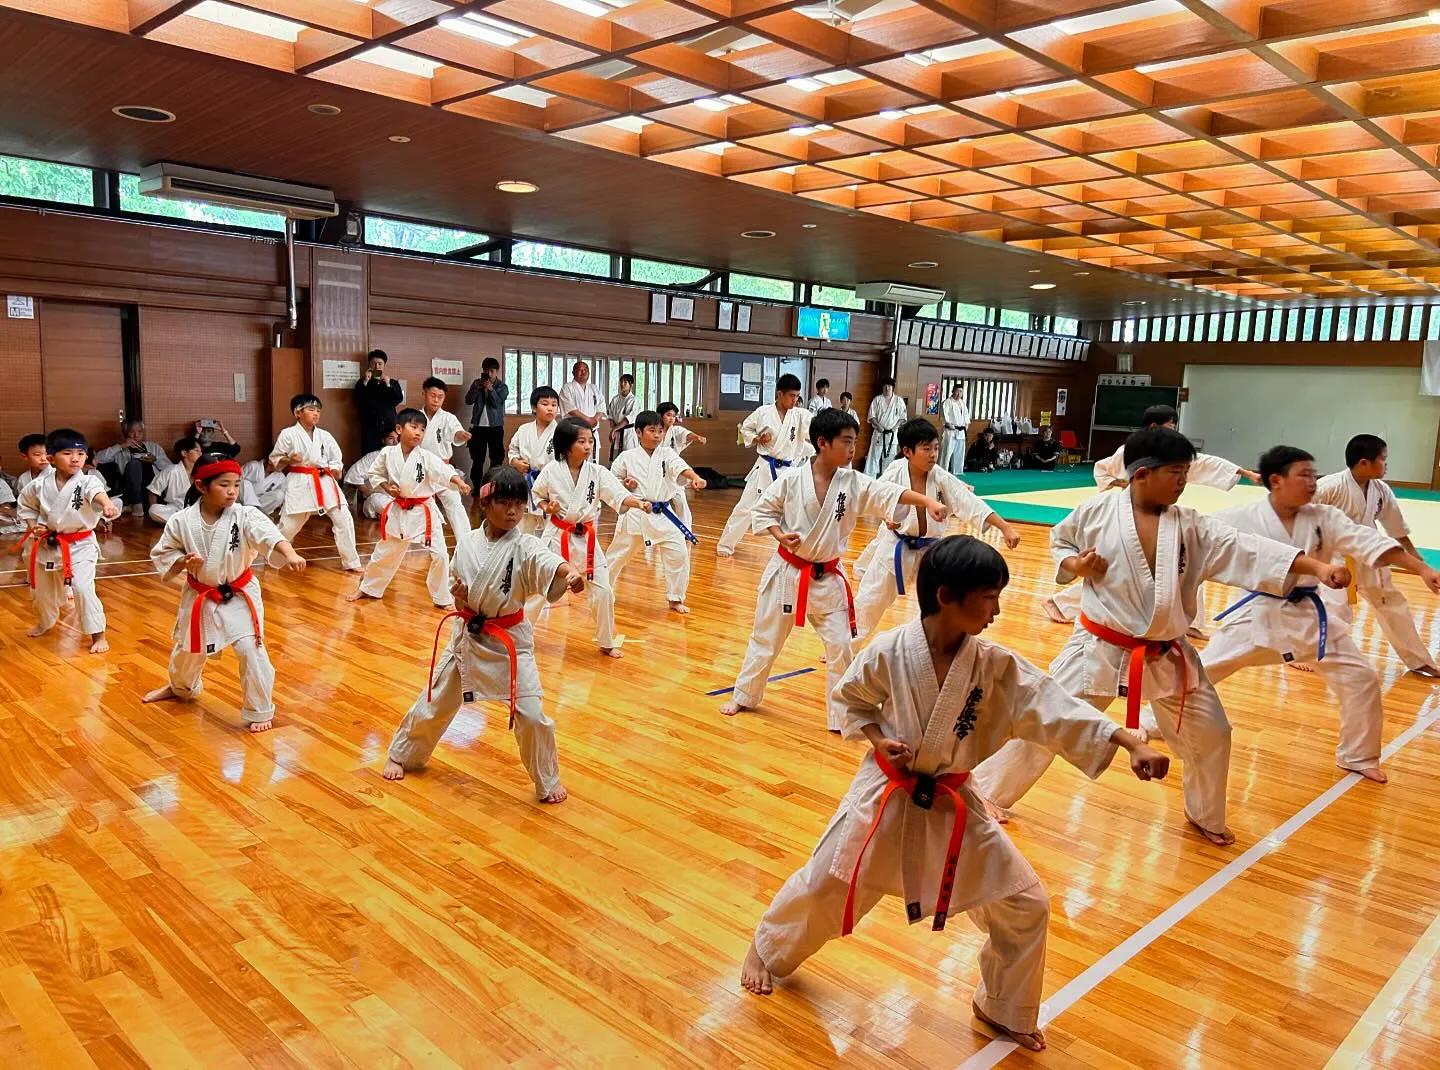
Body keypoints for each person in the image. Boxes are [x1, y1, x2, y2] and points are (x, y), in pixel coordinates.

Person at [739, 537, 1170, 1052]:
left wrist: (1125, 740)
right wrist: (880, 740)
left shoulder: (993, 665)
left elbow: (1052, 702)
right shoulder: (890, 651)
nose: (997, 609)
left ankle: (1002, 1004)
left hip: (953, 800)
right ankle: (766, 949)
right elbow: (851, 700)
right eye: (988, 597)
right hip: (886, 795)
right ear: (946, 595)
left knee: (1025, 903)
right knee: (825, 885)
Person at [969, 428, 1347, 846]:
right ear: (1142, 474)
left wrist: (1316, 568)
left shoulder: (1190, 525)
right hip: (1099, 646)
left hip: (1168, 651)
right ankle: (986, 791)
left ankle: (1204, 813)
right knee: (1050, 720)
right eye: (1176, 472)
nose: (1184, 482)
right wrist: (1077, 565)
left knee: (1213, 733)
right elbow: (1062, 541)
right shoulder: (1097, 511)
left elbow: (1247, 549)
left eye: (1186, 472)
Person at [1195, 445, 1440, 784]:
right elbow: (1194, 539)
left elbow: (1368, 541)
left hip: (1311, 616)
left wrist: (1422, 569)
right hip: (1257, 614)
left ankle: (1358, 755)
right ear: (1276, 481)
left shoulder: (1325, 517)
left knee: (1361, 679)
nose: (1313, 482)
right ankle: (1151, 723)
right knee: (1203, 672)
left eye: (1314, 474)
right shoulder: (1241, 517)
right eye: (1304, 475)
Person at [719, 407, 948, 729]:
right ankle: (744, 695)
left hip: (827, 578)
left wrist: (927, 502)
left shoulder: (852, 482)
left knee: (841, 646)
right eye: (847, 442)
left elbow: (890, 492)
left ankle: (841, 716)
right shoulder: (791, 480)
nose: (853, 449)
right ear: (823, 442)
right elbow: (763, 511)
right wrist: (779, 535)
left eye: (855, 442)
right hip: (787, 573)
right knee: (765, 639)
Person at [383, 467, 585, 802]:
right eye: (504, 503)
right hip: (469, 638)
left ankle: (547, 780)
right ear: (485, 503)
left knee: (533, 716)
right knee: (435, 702)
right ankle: (404, 754)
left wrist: (571, 572)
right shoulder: (467, 544)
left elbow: (550, 562)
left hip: (511, 642)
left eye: (519, 505)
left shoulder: (525, 545)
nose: (512, 512)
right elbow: (459, 593)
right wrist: (461, 596)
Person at [1042, 404, 1260, 625]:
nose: (1174, 428)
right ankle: (1060, 603)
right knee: (1119, 574)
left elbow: (1204, 463)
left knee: (1183, 565)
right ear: (1155, 425)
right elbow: (1101, 469)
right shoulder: (1128, 452)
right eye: (1170, 424)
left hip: (1157, 514)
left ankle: (1190, 622)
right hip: (1125, 517)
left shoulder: (1170, 454)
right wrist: (1122, 483)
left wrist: (1242, 472)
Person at [142, 454, 307, 732]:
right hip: (199, 594)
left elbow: (270, 535)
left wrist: (289, 553)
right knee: (188, 650)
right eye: (224, 485)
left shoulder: (245, 515)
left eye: (236, 485)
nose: (232, 491)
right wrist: (183, 562)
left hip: (239, 594)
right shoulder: (181, 521)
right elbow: (164, 553)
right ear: (201, 486)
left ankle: (259, 709)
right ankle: (181, 688)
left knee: (250, 649)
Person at [851, 419, 1020, 642]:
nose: (933, 454)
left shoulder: (940, 476)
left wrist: (1005, 527)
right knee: (869, 600)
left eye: (936, 448)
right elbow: (879, 497)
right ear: (907, 451)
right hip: (895, 547)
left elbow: (968, 502)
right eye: (926, 448)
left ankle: (938, 645)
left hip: (931, 553)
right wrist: (886, 517)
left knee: (938, 604)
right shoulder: (895, 471)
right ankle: (847, 644)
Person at [1315, 434, 1440, 677]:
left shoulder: (1381, 490)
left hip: (1371, 553)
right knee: (1335, 610)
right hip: (1333, 558)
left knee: (1392, 604)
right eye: (1383, 459)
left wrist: (1422, 567)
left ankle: (1419, 660)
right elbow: (1297, 518)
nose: (1386, 465)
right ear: (1364, 462)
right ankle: (1308, 655)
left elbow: (1398, 532)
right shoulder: (1328, 487)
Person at [530, 417, 647, 658]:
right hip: (557, 538)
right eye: (581, 441)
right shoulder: (551, 471)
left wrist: (637, 502)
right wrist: (547, 507)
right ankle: (518, 634)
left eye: (590, 441)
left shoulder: (597, 472)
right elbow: (537, 495)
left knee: (604, 591)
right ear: (566, 445)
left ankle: (606, 640)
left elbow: (617, 494)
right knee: (540, 592)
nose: (588, 445)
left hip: (587, 541)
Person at [348, 408, 471, 607]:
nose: (418, 433)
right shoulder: (388, 453)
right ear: (398, 429)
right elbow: (374, 474)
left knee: (440, 555)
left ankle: (442, 598)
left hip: (425, 511)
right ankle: (368, 587)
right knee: (385, 551)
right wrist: (388, 487)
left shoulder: (426, 456)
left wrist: (460, 482)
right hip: (399, 510)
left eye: (422, 430)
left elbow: (443, 472)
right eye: (413, 427)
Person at [16, 429, 121, 653]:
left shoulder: (88, 481)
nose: (75, 458)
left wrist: (107, 505)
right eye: (67, 453)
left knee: (83, 588)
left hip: (80, 544)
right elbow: (25, 505)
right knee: (43, 591)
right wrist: (32, 526)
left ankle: (98, 634)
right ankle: (45, 621)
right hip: (48, 544)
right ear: (51, 458)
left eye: (81, 453)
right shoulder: (39, 485)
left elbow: (97, 493)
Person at [608, 410, 707, 614]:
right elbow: (611, 482)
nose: (656, 435)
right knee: (617, 556)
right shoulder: (627, 457)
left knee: (679, 554)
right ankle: (602, 589)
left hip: (664, 514)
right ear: (638, 432)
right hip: (637, 513)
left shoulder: (667, 453)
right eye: (651, 430)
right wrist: (625, 483)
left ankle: (675, 597)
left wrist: (694, 477)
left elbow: (680, 468)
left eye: (660, 431)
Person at [716, 374, 813, 556]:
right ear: (779, 394)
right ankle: (725, 545)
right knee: (745, 508)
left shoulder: (800, 416)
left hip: (788, 472)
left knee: (794, 511)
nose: (795, 400)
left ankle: (796, 549)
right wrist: (757, 438)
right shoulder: (763, 412)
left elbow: (815, 429)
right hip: (765, 468)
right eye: (791, 395)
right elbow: (745, 428)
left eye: (797, 396)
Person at [269, 394, 362, 572]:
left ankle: (352, 562)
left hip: (324, 480)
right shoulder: (288, 434)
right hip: (300, 481)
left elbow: (336, 459)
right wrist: (289, 459)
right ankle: (273, 558)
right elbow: (275, 462)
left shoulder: (325, 436)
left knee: (344, 518)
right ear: (298, 412)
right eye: (311, 409)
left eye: (318, 410)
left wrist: (336, 469)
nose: (316, 414)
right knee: (289, 526)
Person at [418, 376, 473, 537]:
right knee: (418, 507)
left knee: (455, 504)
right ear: (424, 394)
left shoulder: (449, 418)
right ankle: (421, 543)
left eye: (440, 397)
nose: (436, 400)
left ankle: (466, 543)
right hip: (421, 468)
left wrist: (461, 435)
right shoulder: (415, 417)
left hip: (443, 468)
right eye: (432, 395)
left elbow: (456, 432)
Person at [507, 385, 562, 534]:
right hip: (526, 481)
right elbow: (513, 450)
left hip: (551, 485)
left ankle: (548, 555)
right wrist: (515, 462)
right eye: (545, 404)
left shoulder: (561, 432)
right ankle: (522, 556)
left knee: (551, 526)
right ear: (534, 407)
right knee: (523, 527)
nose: (550, 408)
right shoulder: (524, 429)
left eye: (554, 405)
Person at [96, 420, 173, 517]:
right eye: (132, 432)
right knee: (134, 464)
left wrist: (155, 460)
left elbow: (170, 468)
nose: (136, 435)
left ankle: (139, 506)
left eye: (140, 432)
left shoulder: (153, 447)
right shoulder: (120, 451)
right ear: (126, 434)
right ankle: (137, 505)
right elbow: (98, 459)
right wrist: (121, 446)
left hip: (152, 488)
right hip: (129, 489)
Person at [659, 401, 707, 528]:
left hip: (673, 472)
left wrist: (697, 437)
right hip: (655, 473)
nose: (671, 418)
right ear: (660, 416)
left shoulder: (676, 431)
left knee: (681, 502)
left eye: (674, 416)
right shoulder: (654, 432)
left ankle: (686, 530)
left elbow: (687, 435)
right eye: (668, 415)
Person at [465, 357, 508, 488]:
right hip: (478, 428)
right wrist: (476, 388)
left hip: (495, 427)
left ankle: (493, 486)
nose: (489, 374)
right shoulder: (477, 383)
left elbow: (497, 404)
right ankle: (477, 486)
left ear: (497, 372)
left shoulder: (502, 387)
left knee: (496, 458)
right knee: (477, 459)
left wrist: (491, 390)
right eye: (486, 371)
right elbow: (468, 400)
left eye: (492, 371)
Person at [353, 349, 405, 454]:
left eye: (380, 364)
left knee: (390, 453)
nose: (377, 366)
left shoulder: (392, 382)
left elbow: (398, 399)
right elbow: (357, 399)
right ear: (369, 365)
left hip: (388, 425)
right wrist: (366, 382)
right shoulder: (363, 382)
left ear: (384, 365)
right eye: (374, 363)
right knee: (370, 453)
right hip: (371, 426)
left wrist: (388, 385)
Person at [344, 426, 398, 519]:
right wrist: (369, 494)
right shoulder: (373, 457)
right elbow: (353, 474)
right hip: (377, 498)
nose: (395, 442)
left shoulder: (404, 458)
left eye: (398, 439)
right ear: (383, 440)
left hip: (397, 499)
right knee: (380, 502)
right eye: (391, 438)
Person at [147, 436, 203, 525]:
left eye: (201, 451)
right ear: (184, 453)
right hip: (175, 510)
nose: (200, 454)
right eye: (196, 451)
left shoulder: (203, 471)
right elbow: (153, 490)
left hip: (197, 510)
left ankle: (181, 522)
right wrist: (153, 514)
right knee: (153, 510)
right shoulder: (171, 470)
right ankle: (182, 522)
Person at [864, 378, 907, 475]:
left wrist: (895, 427)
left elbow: (903, 417)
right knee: (873, 458)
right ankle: (870, 480)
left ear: (893, 387)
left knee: (890, 460)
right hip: (879, 433)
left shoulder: (898, 401)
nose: (887, 388)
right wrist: (878, 426)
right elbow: (872, 416)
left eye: (889, 386)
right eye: (885, 386)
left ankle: (887, 481)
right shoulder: (877, 400)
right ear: (882, 387)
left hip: (892, 434)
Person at [558, 360, 605, 435]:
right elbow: (570, 409)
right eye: (580, 370)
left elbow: (601, 406)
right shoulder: (567, 387)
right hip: (574, 431)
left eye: (586, 370)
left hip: (592, 431)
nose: (583, 372)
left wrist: (595, 420)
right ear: (573, 372)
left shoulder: (594, 388)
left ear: (589, 373)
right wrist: (588, 420)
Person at [607, 373, 639, 460]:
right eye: (621, 382)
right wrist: (614, 430)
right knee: (616, 460)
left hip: (628, 434)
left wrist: (614, 429)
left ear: (631, 385)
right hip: (617, 433)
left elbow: (627, 419)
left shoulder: (633, 400)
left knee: (629, 460)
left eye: (625, 382)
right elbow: (610, 416)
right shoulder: (615, 399)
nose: (622, 384)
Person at [940, 383, 971, 474]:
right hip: (950, 432)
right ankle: (943, 471)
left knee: (959, 453)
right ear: (953, 391)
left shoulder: (962, 403)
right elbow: (945, 418)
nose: (958, 393)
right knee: (947, 452)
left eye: (961, 391)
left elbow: (966, 418)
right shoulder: (947, 402)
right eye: (957, 391)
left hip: (961, 432)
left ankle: (957, 471)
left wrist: (966, 426)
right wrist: (951, 425)